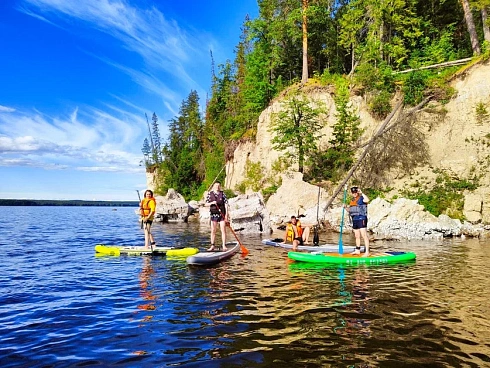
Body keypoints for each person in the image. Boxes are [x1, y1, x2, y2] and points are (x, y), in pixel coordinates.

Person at [205, 181, 230, 251]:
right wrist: (212, 203)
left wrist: (226, 215)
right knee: (213, 230)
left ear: (220, 186)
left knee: (223, 230)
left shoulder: (223, 194)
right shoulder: (210, 194)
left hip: (222, 214)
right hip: (213, 215)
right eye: (216, 186)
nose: (217, 187)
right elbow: (205, 204)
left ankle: (224, 245)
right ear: (213, 186)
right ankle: (212, 245)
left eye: (218, 186)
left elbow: (226, 204)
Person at [346, 186, 370, 256]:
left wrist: (362, 193)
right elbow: (350, 210)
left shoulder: (362, 198)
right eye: (353, 192)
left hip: (361, 218)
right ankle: (357, 250)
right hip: (355, 219)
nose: (354, 194)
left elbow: (367, 200)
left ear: (357, 192)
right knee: (357, 236)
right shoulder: (352, 200)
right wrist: (345, 207)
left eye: (355, 192)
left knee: (364, 235)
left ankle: (367, 252)